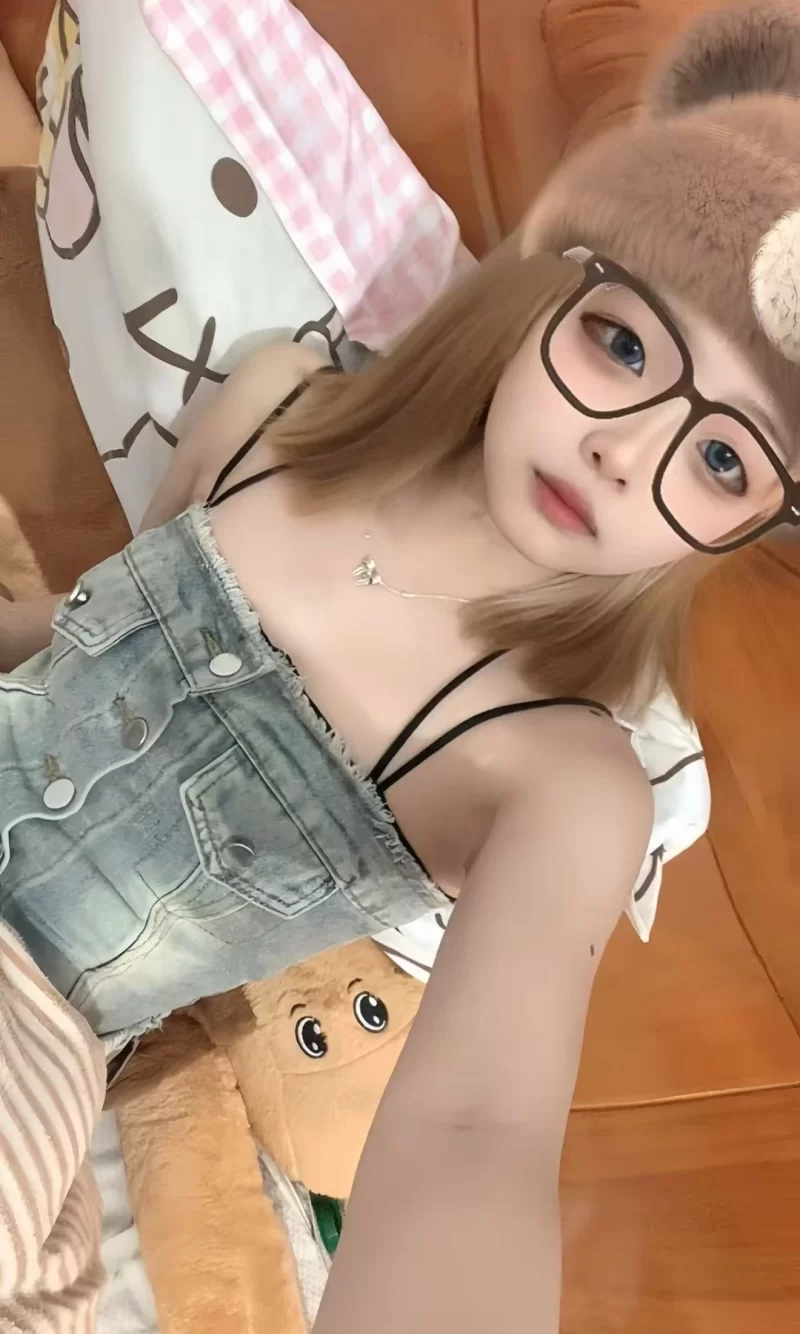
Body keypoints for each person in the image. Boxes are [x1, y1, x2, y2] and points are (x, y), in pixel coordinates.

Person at [2, 3, 800, 1329]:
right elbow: (93, 633)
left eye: (723, 456)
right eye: (623, 343)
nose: (625, 452)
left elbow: (478, 1135)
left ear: (753, 520)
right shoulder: (273, 406)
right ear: (550, 284)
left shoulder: (569, 781)